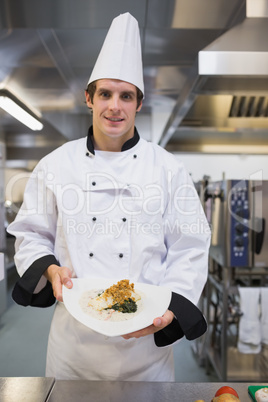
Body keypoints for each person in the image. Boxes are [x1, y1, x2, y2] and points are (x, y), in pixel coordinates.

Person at [7, 12, 211, 381]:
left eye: (126, 96)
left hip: (144, 348)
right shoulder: (56, 165)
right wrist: (51, 269)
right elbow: (31, 234)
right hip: (74, 348)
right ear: (89, 98)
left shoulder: (167, 169)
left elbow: (190, 247)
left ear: (139, 104)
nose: (114, 106)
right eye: (105, 93)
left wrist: (170, 310)